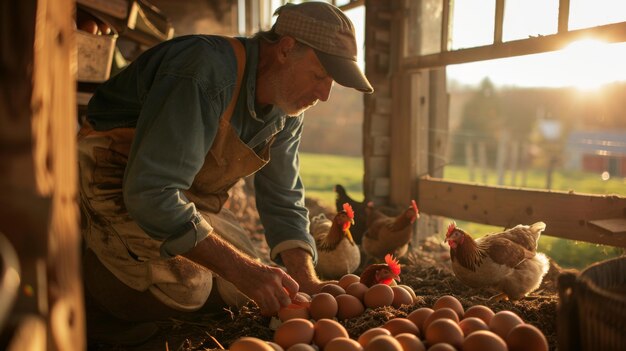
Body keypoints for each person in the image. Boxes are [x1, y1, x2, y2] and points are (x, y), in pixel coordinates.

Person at [78, 1, 373, 344]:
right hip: (117, 174)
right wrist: (239, 268)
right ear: (287, 48)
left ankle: (153, 307)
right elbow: (150, 192)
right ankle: (95, 303)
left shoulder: (287, 107)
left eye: (331, 82)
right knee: (188, 285)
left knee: (253, 286)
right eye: (320, 76)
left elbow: (282, 194)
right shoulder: (204, 70)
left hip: (182, 193)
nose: (324, 95)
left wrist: (305, 276)